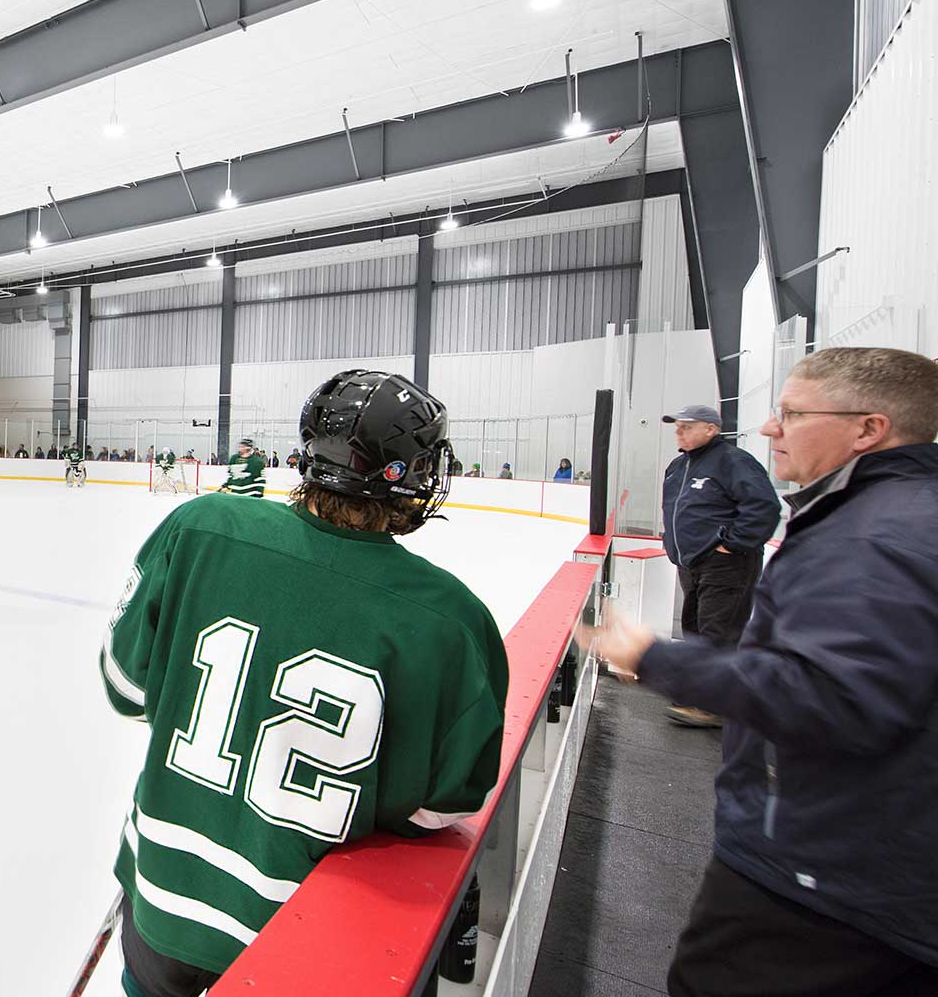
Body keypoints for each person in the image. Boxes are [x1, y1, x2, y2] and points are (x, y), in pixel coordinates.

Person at [102, 370, 507, 996]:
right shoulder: (452, 621)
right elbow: (441, 807)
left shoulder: (199, 528)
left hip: (161, 902)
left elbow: (123, 688)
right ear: (416, 475)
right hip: (311, 938)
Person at [582, 348, 938, 997]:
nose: (773, 428)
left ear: (869, 429)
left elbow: (836, 696)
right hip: (865, 870)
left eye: (793, 414)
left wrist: (657, 659)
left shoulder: (874, 534)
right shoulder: (884, 515)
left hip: (821, 874)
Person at [655, 404, 783, 728]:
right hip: (691, 562)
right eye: (677, 427)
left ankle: (713, 705)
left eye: (687, 426)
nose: (679, 432)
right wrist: (673, 542)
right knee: (695, 629)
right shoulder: (678, 466)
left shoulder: (733, 461)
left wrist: (731, 544)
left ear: (711, 429)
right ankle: (699, 693)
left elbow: (763, 507)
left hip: (726, 564)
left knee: (718, 632)